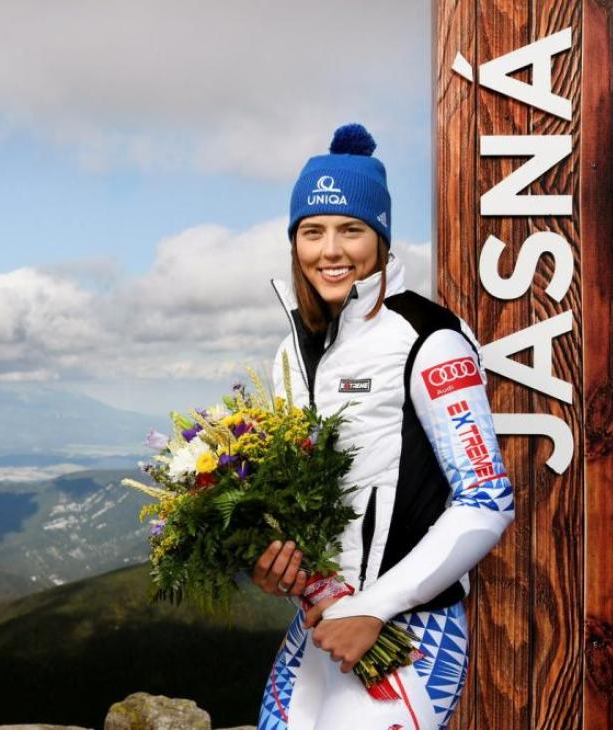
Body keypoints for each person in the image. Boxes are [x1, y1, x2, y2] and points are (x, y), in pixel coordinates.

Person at [250, 123, 515, 729]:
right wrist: (276, 566)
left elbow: (486, 499)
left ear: (383, 239)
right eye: (312, 232)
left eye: (352, 229)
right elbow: (300, 502)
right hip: (319, 626)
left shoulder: (428, 335)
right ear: (295, 244)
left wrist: (373, 609)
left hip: (412, 633)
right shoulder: (295, 348)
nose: (331, 250)